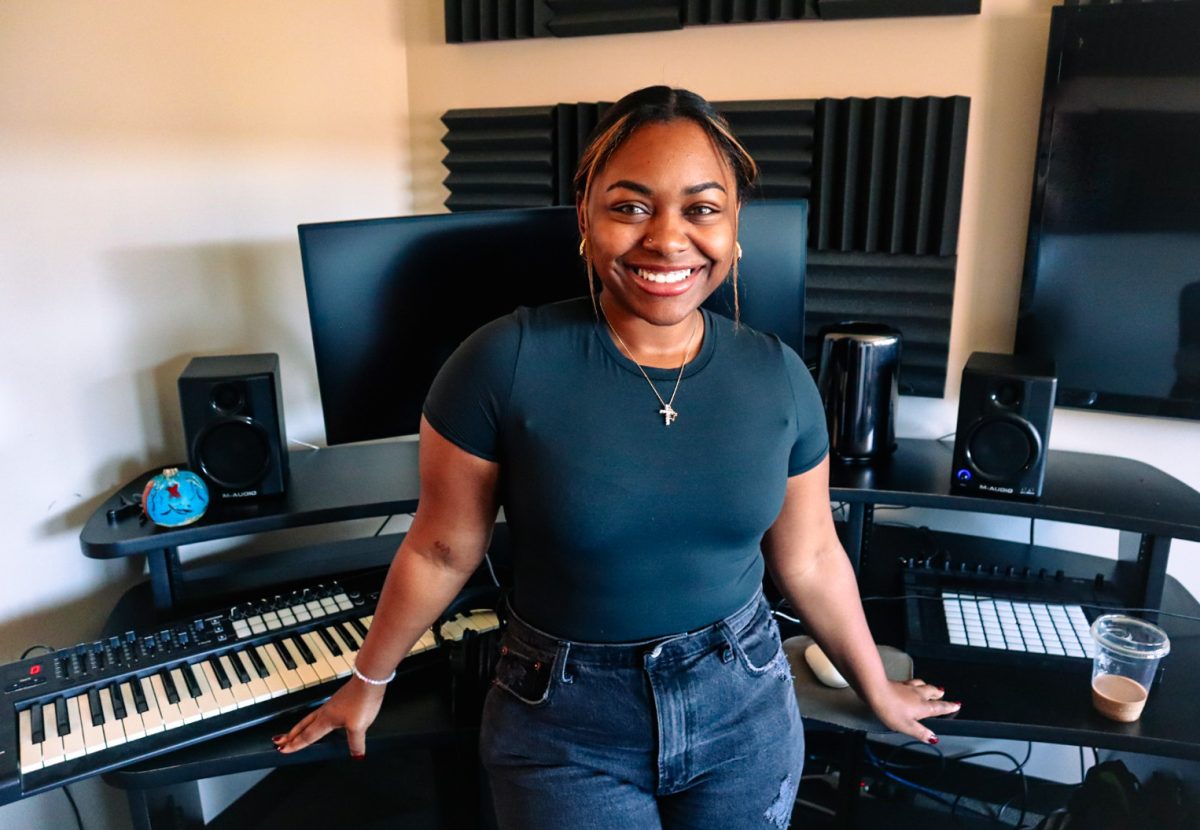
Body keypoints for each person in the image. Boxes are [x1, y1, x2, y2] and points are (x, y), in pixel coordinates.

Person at [275, 85, 961, 829]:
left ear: (734, 229)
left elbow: (813, 558)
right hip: (566, 722)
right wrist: (368, 679)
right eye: (630, 206)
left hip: (745, 703)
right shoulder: (500, 361)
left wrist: (875, 688)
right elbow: (442, 550)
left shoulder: (780, 376)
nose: (667, 240)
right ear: (585, 220)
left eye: (701, 209)